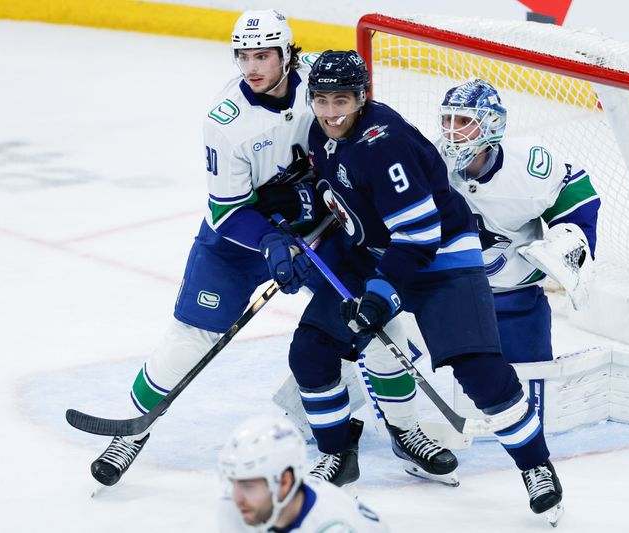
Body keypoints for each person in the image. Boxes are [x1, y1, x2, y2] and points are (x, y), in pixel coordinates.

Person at [88, 10, 456, 489]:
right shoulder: (226, 121)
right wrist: (269, 241)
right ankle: (131, 433)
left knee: (377, 323)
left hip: (319, 230)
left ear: (288, 54)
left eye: (263, 55)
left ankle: (405, 431)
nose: (253, 67)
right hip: (240, 241)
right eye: (244, 56)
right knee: (193, 336)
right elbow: (226, 210)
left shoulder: (319, 89)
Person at [294, 50, 563, 523]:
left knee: (480, 371)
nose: (331, 111)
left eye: (342, 100)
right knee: (310, 351)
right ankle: (338, 452)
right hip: (377, 251)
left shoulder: (385, 144)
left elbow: (418, 237)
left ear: (362, 97)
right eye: (322, 100)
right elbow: (338, 182)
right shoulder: (322, 130)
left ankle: (536, 467)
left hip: (442, 257)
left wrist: (380, 296)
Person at [218, 414, 388, 532]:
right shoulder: (236, 509)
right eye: (233, 483)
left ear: (284, 481)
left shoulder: (334, 525)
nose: (236, 498)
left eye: (248, 487)